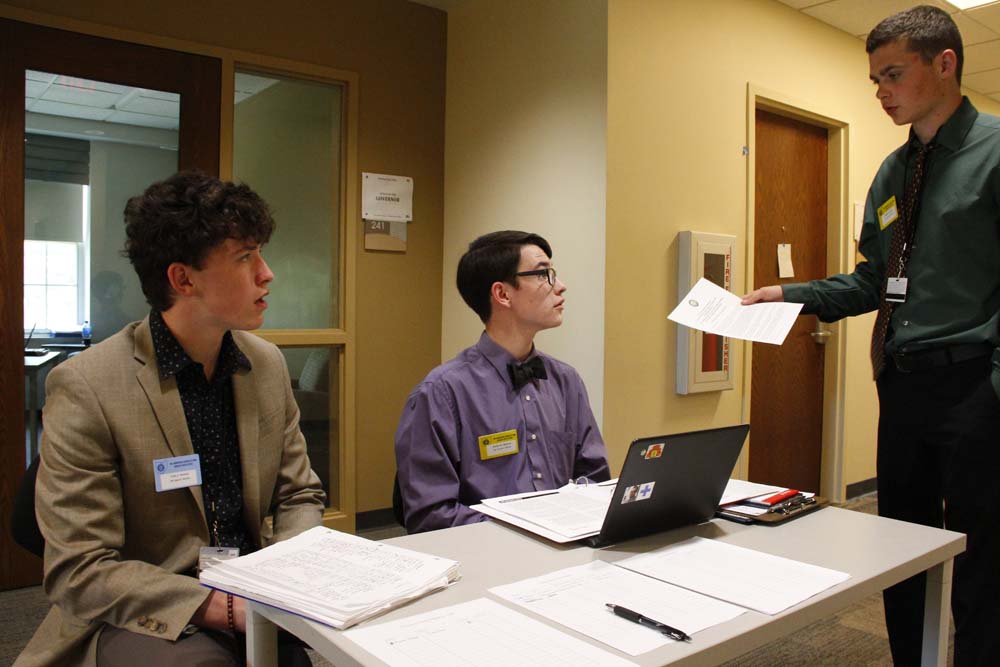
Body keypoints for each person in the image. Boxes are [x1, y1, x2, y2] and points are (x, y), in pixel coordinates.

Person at [742, 6, 1000, 664]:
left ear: (945, 64)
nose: (882, 90)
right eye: (874, 79)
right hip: (906, 386)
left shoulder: (994, 152)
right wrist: (789, 296)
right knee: (903, 549)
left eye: (893, 74)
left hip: (977, 385)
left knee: (983, 559)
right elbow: (871, 281)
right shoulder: (893, 173)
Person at [16, 171, 326, 667]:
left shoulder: (264, 365)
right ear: (182, 279)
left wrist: (287, 574)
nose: (267, 273)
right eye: (245, 258)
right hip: (148, 608)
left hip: (258, 588)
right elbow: (81, 569)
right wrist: (224, 607)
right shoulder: (89, 384)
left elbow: (299, 495)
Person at [395, 230, 610, 533]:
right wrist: (529, 528)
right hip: (486, 558)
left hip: (569, 553)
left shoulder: (566, 380)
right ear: (503, 294)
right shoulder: (441, 393)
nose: (560, 286)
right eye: (544, 274)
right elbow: (430, 514)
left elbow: (595, 477)